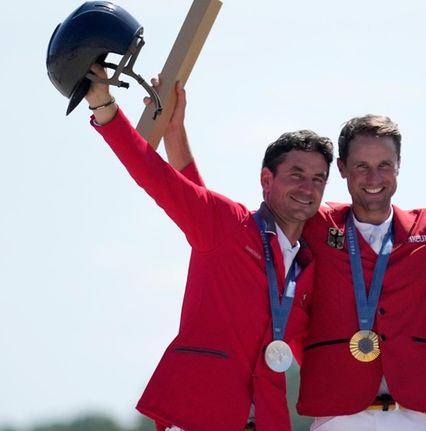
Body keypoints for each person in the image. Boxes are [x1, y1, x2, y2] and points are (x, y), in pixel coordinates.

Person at [162, 86, 426, 431]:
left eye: (384, 166)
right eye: (361, 167)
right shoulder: (317, 224)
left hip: (417, 414)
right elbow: (212, 215)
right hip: (338, 415)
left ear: (399, 166)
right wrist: (174, 134)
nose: (374, 179)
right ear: (344, 172)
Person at [83, 65, 334, 431]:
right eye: (296, 174)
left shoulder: (307, 266)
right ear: (266, 179)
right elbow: (157, 178)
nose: (307, 188)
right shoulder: (226, 224)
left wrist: (174, 133)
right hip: (197, 414)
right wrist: (104, 106)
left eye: (318, 179)